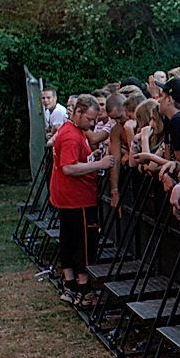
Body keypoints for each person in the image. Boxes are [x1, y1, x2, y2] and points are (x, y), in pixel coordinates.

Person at [50, 100, 114, 305]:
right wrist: (99, 163)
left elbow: (74, 161)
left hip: (68, 197)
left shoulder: (73, 131)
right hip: (77, 198)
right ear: (78, 112)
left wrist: (89, 157)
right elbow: (68, 168)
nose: (93, 123)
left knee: (68, 239)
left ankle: (70, 286)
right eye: (89, 119)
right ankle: (83, 290)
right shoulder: (70, 135)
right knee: (84, 243)